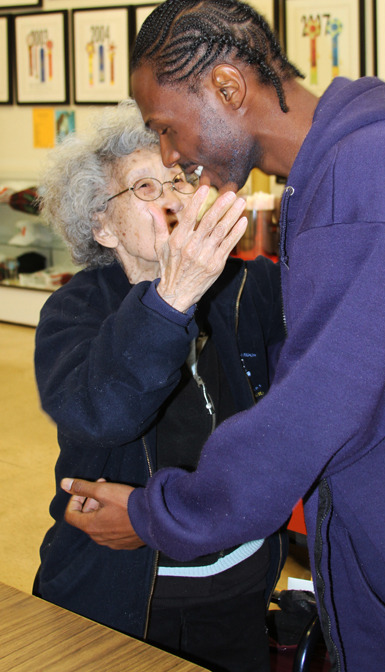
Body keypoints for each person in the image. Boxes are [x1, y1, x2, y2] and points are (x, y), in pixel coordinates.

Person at [61, 0, 385, 671]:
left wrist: (160, 515)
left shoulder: (367, 173)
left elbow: (316, 407)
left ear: (228, 86)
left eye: (167, 129)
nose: (172, 157)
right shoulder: (366, 154)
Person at [33, 98, 287, 672]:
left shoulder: (245, 290)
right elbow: (103, 412)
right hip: (128, 601)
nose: (173, 197)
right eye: (147, 188)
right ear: (102, 224)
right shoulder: (72, 312)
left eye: (181, 178)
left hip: (239, 593)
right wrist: (172, 298)